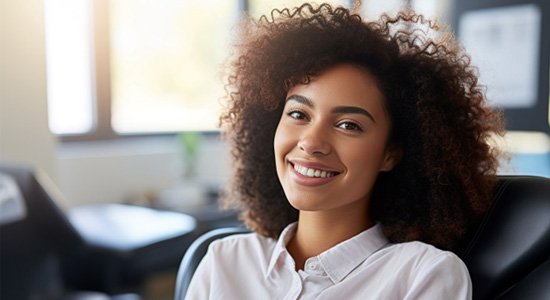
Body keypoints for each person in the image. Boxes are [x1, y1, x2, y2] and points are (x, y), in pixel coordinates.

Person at [185, 2, 503, 299]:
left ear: (391, 153)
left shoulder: (423, 275)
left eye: (348, 125)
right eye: (298, 115)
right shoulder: (223, 262)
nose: (311, 142)